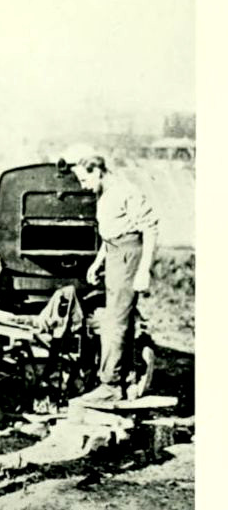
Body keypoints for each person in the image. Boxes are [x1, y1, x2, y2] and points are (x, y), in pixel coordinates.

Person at [69, 150, 159, 402]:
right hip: (115, 253)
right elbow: (110, 235)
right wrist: (98, 263)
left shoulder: (125, 191)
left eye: (84, 180)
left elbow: (150, 229)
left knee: (115, 320)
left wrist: (143, 270)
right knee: (121, 318)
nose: (83, 186)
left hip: (129, 254)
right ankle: (126, 376)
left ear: (97, 171)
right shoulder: (106, 194)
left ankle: (110, 386)